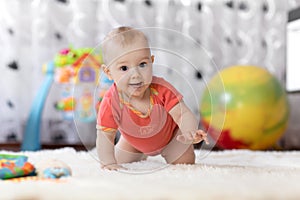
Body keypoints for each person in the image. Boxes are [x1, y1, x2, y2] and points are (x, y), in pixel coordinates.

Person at [96, 26, 208, 170]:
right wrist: (108, 163)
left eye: (142, 64)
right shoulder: (111, 101)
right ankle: (140, 153)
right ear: (108, 72)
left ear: (151, 60)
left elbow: (182, 113)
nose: (136, 74)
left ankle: (177, 148)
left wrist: (189, 131)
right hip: (133, 143)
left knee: (184, 163)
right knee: (117, 161)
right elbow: (105, 135)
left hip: (171, 138)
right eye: (124, 68)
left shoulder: (162, 89)